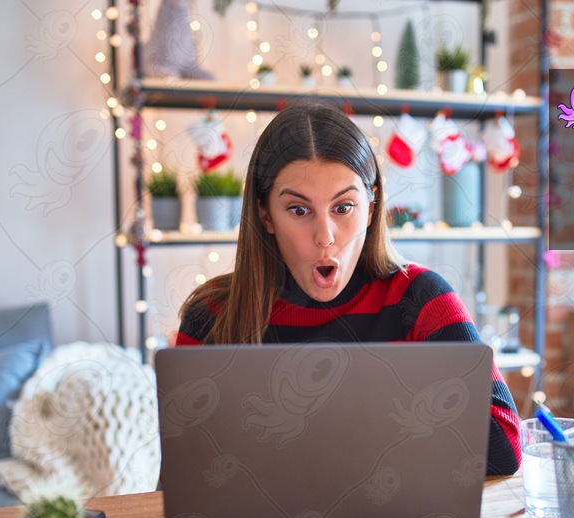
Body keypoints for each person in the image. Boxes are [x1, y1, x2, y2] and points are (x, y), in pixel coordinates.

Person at [176, 102, 521, 475]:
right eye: (298, 210)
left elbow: (504, 447)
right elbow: (183, 475)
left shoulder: (420, 298)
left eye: (343, 208)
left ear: (371, 209)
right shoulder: (211, 315)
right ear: (265, 215)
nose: (325, 237)